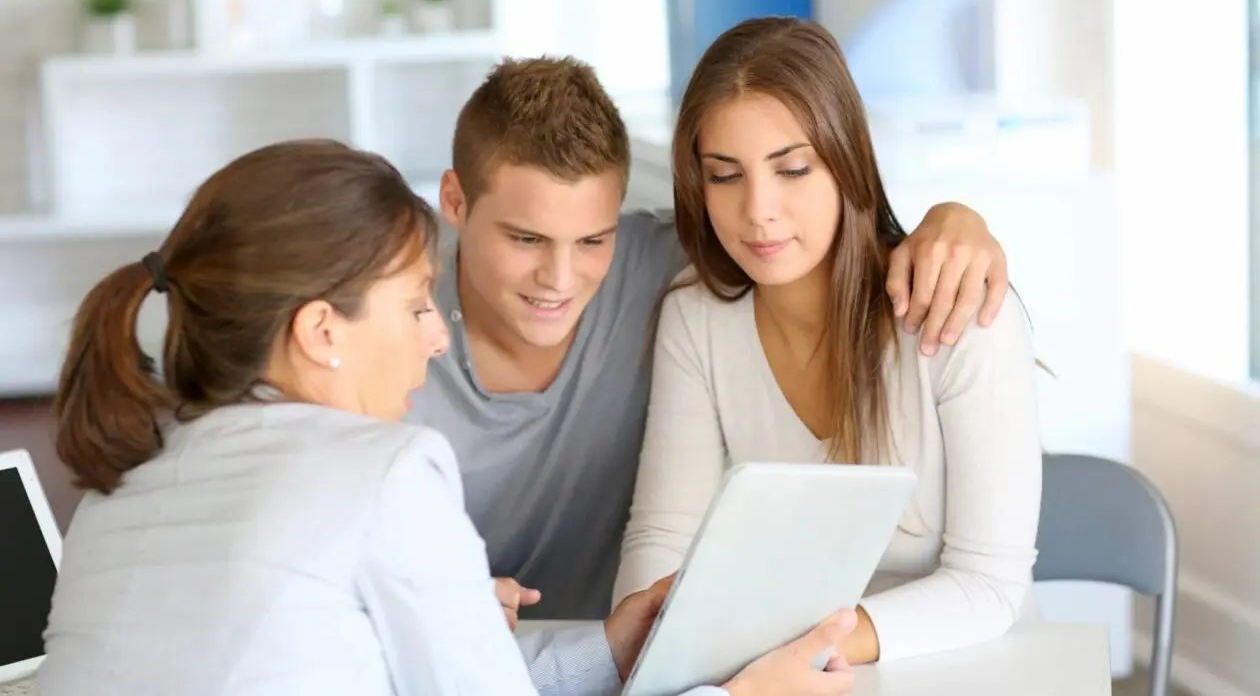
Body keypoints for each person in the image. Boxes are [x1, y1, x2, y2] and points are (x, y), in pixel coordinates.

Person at [34, 140, 858, 696]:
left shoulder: (120, 488)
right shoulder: (381, 471)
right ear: (321, 331)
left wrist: (605, 651)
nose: (436, 339)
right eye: (417, 305)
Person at [411, 54, 1014, 624]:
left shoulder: (674, 266)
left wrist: (955, 218)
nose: (561, 279)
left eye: (593, 239)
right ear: (455, 202)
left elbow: (799, 232)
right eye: (525, 239)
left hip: (607, 656)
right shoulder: (380, 316)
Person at [611, 16, 1043, 666]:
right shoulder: (695, 318)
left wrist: (804, 651)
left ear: (847, 162)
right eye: (725, 176)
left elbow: (989, 585)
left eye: (792, 169)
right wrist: (650, 652)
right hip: (769, 670)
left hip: (954, 665)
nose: (758, 210)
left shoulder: (961, 316)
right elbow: (664, 537)